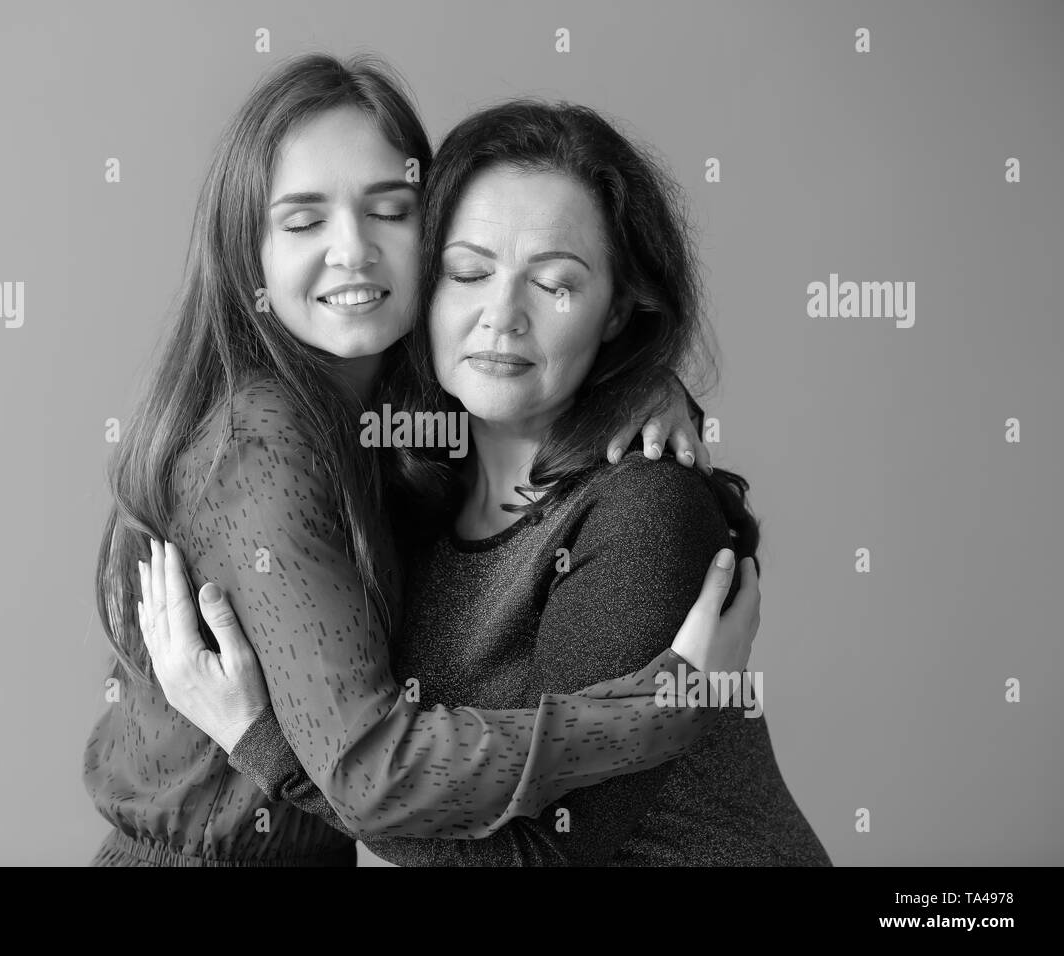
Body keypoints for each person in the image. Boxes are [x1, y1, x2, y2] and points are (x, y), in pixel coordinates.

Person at [85, 53, 758, 867]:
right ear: (246, 250)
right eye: (302, 221)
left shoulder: (408, 434)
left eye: (390, 211)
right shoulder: (262, 439)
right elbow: (367, 772)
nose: (353, 252)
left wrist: (649, 385)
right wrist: (656, 709)